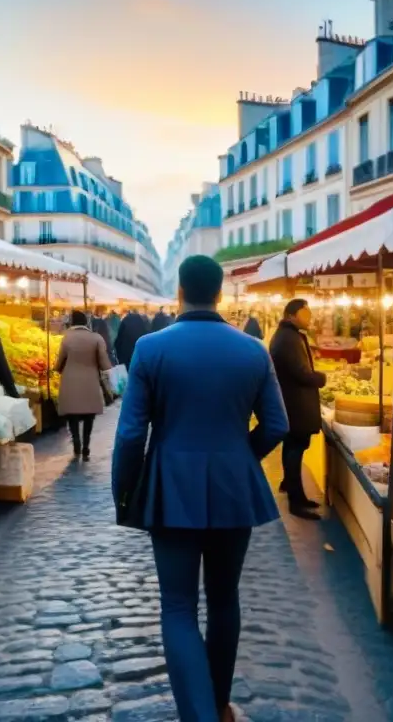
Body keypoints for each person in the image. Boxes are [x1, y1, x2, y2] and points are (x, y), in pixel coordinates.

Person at [112, 255, 288, 722]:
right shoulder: (254, 349)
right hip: (234, 484)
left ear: (179, 292)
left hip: (171, 486)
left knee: (178, 605)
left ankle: (198, 715)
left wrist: (125, 493)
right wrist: (242, 458)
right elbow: (277, 424)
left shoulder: (151, 348)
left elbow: (130, 435)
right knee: (225, 596)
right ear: (221, 292)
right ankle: (218, 703)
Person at [269, 298, 326, 520]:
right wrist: (321, 377)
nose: (309, 317)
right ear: (291, 315)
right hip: (295, 403)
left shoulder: (288, 335)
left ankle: (294, 491)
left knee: (293, 447)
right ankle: (296, 501)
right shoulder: (288, 338)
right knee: (295, 449)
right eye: (305, 313)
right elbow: (300, 373)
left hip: (292, 402)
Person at [55, 310, 112, 460]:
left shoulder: (67, 338)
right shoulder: (96, 338)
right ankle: (86, 445)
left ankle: (76, 443)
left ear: (72, 322)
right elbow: (105, 363)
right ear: (86, 322)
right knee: (89, 416)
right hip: (90, 381)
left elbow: (60, 361)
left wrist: (58, 369)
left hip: (70, 381)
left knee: (72, 415)